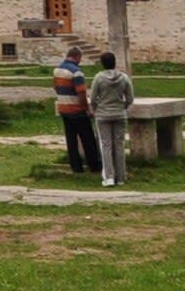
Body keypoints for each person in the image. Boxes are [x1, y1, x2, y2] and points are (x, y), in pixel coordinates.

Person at [90, 50, 137, 187]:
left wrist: (95, 108)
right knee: (120, 145)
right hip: (119, 114)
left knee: (106, 145)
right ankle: (121, 177)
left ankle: (109, 177)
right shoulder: (124, 77)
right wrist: (123, 106)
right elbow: (130, 98)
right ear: (114, 62)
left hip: (103, 115)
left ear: (102, 64)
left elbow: (93, 98)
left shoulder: (99, 78)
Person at [54, 45, 101, 175]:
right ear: (78, 57)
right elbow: (81, 92)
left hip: (64, 107)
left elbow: (56, 87)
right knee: (88, 139)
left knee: (71, 139)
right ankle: (94, 165)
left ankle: (76, 166)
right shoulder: (76, 72)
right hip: (77, 110)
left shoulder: (57, 70)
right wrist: (87, 108)